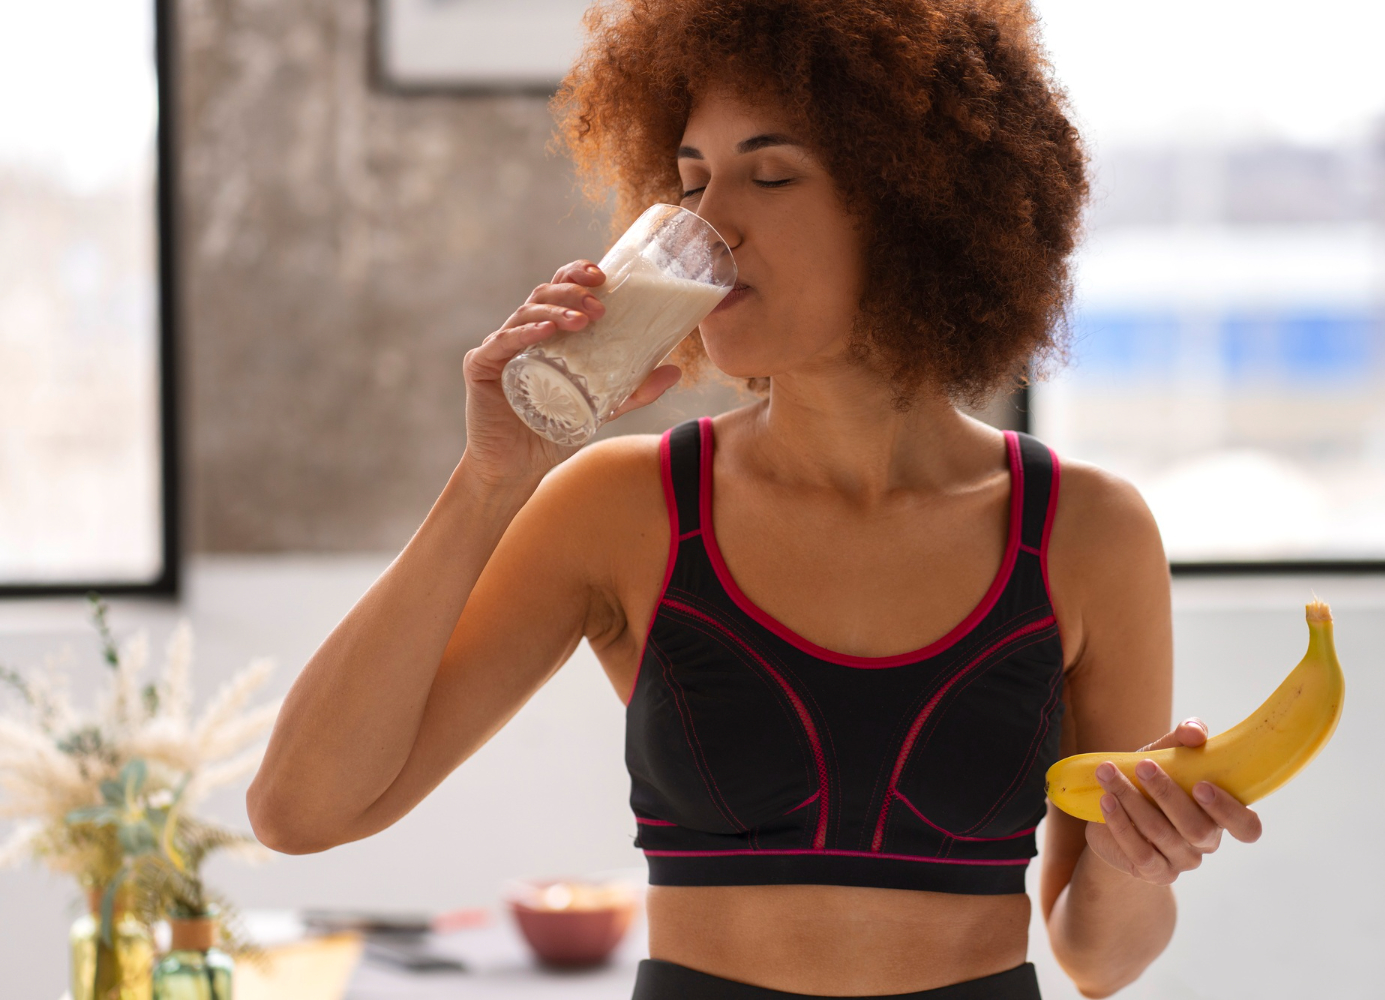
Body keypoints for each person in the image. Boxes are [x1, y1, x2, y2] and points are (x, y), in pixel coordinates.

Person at [247, 1, 1264, 997]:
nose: (709, 222)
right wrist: (490, 483)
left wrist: (1141, 858)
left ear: (914, 205)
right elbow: (298, 810)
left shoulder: (1087, 532)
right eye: (691, 180)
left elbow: (1098, 957)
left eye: (769, 174)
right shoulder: (625, 507)